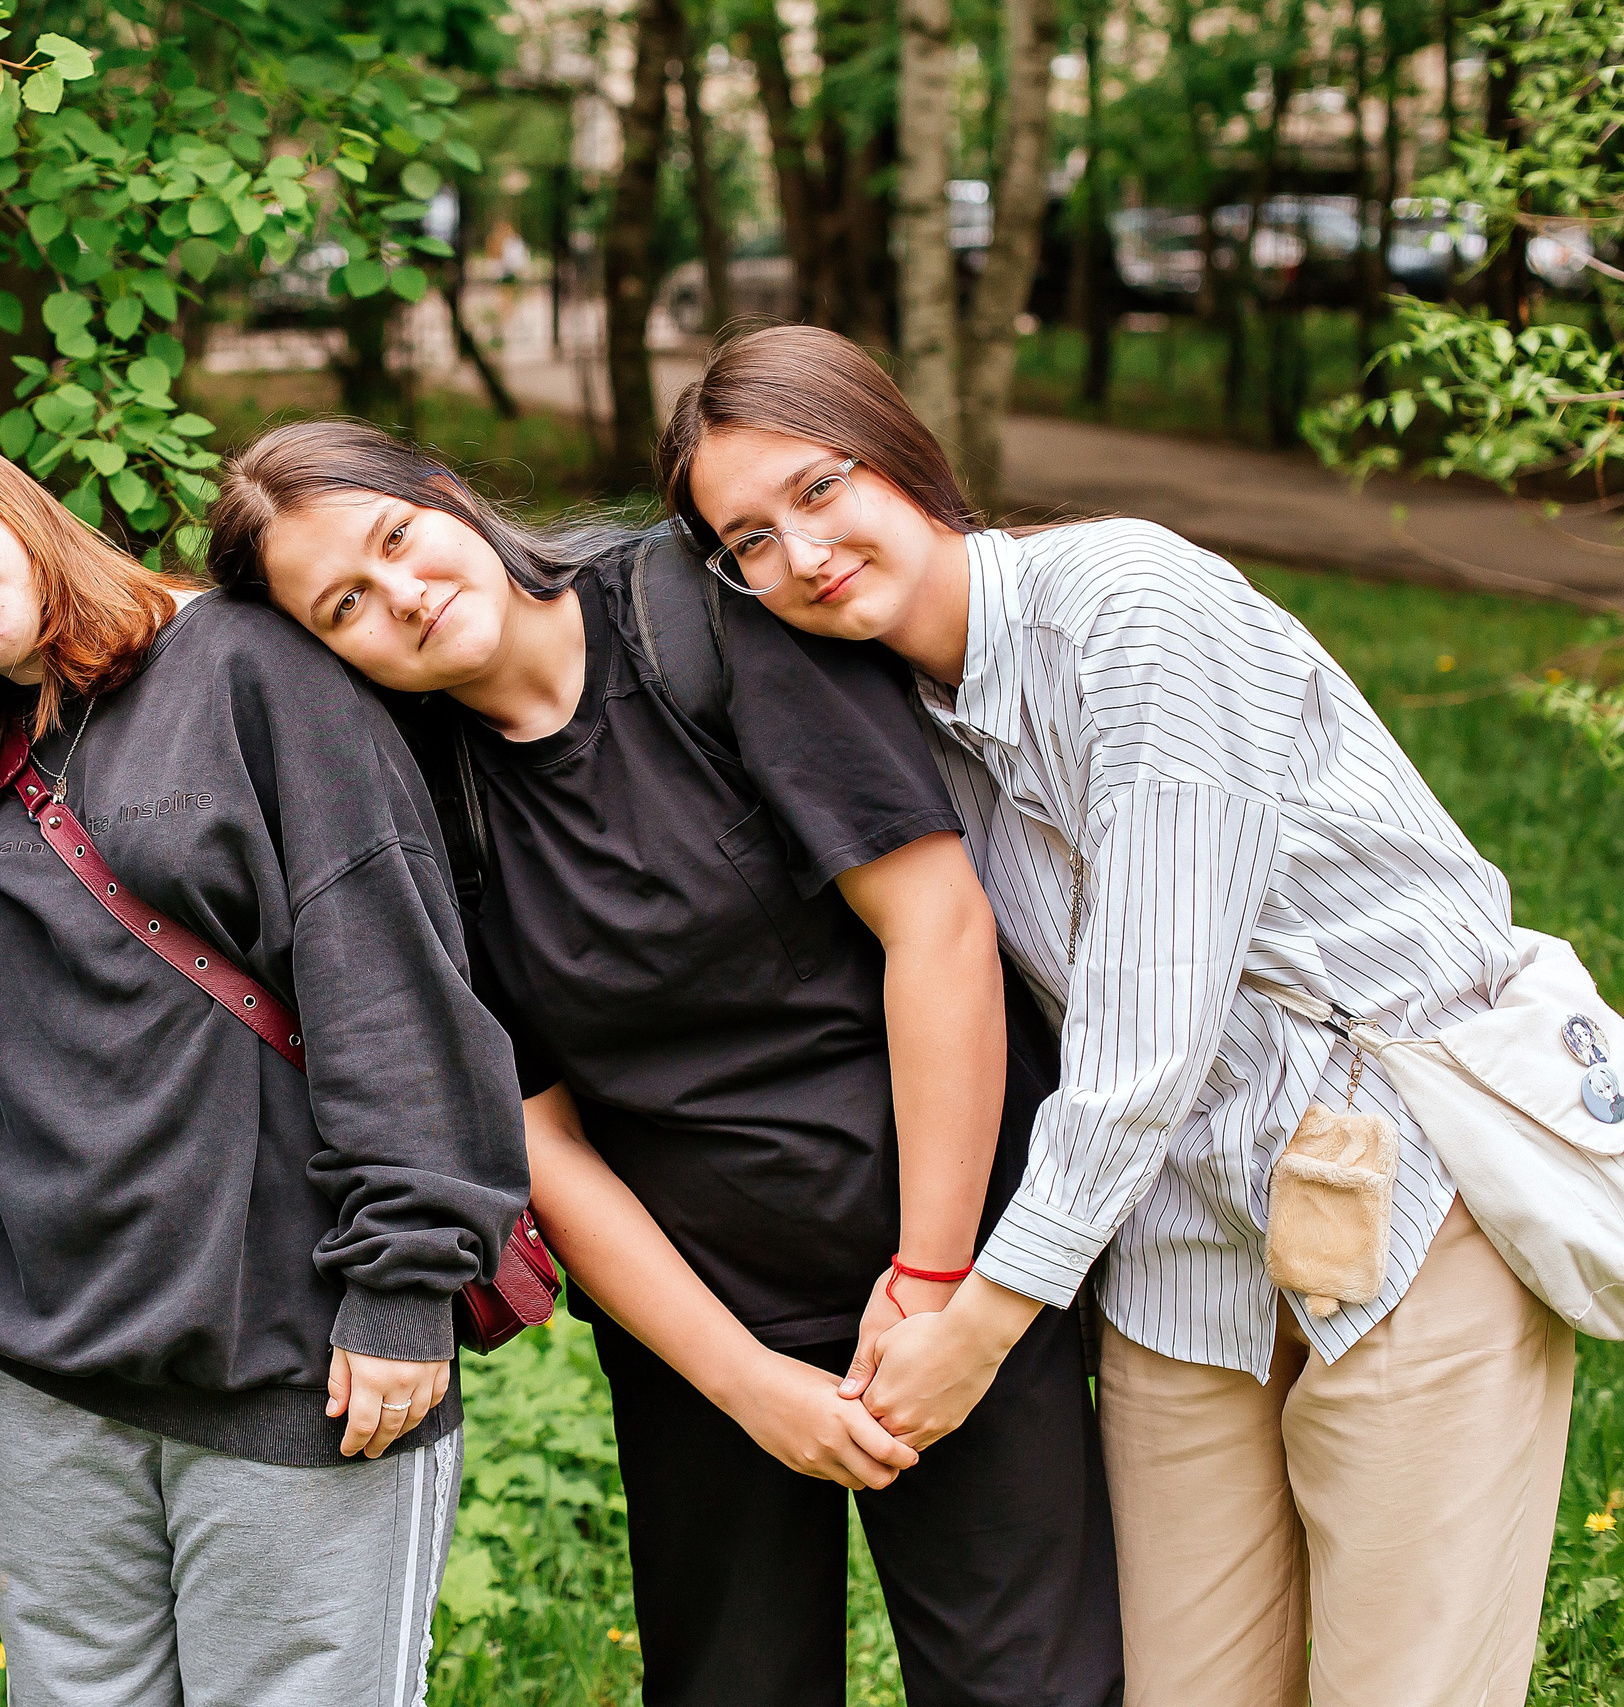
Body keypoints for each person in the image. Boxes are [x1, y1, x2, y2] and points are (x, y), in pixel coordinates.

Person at [658, 323, 1575, 1707]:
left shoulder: (1131, 606)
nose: (800, 553)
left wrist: (974, 1319)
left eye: (819, 486)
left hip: (1399, 1189)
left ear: (903, 455)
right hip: (1179, 1246)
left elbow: (1148, 1041)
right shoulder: (901, 722)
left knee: (1411, 1683)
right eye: (748, 542)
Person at [207, 418, 1125, 1706]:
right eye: (343, 604)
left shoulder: (697, 620)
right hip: (698, 1318)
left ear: (445, 495)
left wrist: (933, 1280)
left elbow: (941, 926)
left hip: (947, 1257)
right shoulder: (412, 798)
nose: (402, 597)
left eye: (395, 539)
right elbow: (542, 1138)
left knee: (1023, 1685)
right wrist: (747, 1386)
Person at [0, 416, 530, 1707]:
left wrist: (407, 1286)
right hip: (56, 1377)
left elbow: (386, 975)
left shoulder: (250, 667)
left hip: (294, 1362)